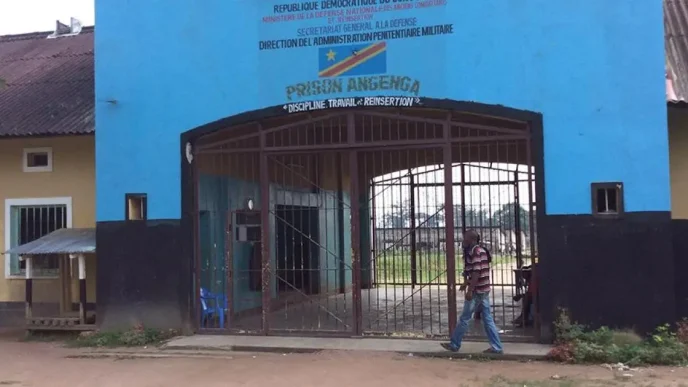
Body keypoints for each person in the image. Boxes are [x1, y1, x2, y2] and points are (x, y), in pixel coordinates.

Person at [442, 229, 503, 354]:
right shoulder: (479, 251)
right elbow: (471, 271)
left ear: (471, 239)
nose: (463, 241)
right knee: (487, 319)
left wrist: (470, 290)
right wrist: (466, 283)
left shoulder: (476, 252)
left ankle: (454, 344)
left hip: (477, 290)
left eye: (465, 239)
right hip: (484, 289)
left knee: (465, 318)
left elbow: (476, 272)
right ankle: (497, 347)